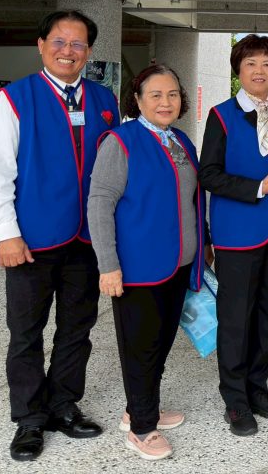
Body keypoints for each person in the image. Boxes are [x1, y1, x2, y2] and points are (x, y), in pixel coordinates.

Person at [0, 10, 119, 461]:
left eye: (77, 44)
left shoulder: (104, 100)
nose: (67, 51)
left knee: (77, 328)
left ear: (89, 52)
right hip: (31, 241)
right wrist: (6, 233)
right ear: (41, 46)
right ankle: (29, 419)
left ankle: (63, 406)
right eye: (59, 41)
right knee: (26, 333)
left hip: (86, 240)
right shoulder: (15, 99)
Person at [87, 65, 205, 461]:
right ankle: (141, 428)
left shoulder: (181, 141)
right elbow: (99, 204)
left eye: (172, 94)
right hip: (138, 267)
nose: (165, 102)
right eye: (155, 95)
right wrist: (107, 265)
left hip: (178, 264)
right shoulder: (121, 142)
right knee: (140, 347)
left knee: (161, 342)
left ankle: (140, 407)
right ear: (137, 100)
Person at [199, 34, 268, 437]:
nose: (259, 71)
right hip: (238, 234)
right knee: (235, 319)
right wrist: (260, 188)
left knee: (267, 315)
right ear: (238, 71)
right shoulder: (222, 115)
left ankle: (258, 388)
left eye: (266, 63)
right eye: (250, 64)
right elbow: (209, 174)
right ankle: (235, 400)